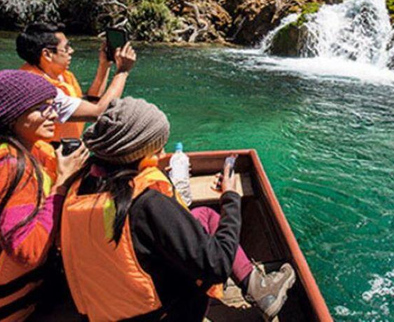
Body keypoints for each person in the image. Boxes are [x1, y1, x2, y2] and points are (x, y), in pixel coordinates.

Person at [60, 98, 295, 321]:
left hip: (108, 310)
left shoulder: (79, 186)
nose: (163, 155)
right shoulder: (146, 205)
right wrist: (230, 198)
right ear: (136, 154)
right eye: (157, 150)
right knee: (214, 238)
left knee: (203, 215)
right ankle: (260, 288)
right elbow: (219, 265)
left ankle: (257, 286)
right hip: (164, 315)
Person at [0, 70, 89, 321]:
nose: (53, 115)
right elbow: (27, 250)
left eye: (52, 106)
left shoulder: (16, 151)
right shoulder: (13, 167)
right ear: (12, 114)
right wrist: (61, 185)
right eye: (41, 108)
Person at [16, 22, 137, 140]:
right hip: (48, 156)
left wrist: (104, 66)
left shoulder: (61, 76)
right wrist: (122, 72)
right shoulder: (40, 89)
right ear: (47, 54)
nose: (71, 51)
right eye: (66, 48)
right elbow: (98, 112)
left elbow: (92, 102)